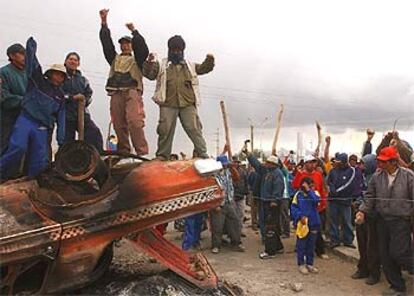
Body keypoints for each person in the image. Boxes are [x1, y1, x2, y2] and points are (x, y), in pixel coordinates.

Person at [0, 37, 66, 179]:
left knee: (39, 158)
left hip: (42, 127)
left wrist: (61, 141)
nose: (58, 76)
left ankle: (30, 183)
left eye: (61, 75)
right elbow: (34, 66)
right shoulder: (38, 82)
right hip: (25, 119)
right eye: (56, 73)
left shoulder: (60, 96)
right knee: (17, 147)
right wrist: (31, 49)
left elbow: (61, 119)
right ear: (50, 74)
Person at [143, 35, 214, 160]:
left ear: (183, 51)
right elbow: (149, 74)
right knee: (165, 130)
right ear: (169, 50)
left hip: (187, 103)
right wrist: (149, 62)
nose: (176, 52)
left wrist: (210, 60)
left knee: (195, 129)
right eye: (173, 50)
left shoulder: (190, 66)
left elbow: (204, 68)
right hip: (168, 103)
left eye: (179, 50)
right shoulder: (161, 65)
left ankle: (202, 154)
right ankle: (162, 156)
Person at [357, 146, 414, 295]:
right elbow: (370, 196)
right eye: (380, 161)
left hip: (401, 221)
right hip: (382, 221)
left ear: (394, 162)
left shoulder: (408, 176)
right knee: (385, 255)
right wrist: (362, 211)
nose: (381, 164)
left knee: (400, 252)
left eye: (384, 162)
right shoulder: (377, 177)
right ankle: (397, 287)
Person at [99, 9, 149, 156]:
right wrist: (104, 22)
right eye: (123, 43)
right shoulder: (114, 59)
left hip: (132, 91)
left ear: (132, 45)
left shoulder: (138, 60)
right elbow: (106, 44)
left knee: (134, 122)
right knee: (118, 124)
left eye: (128, 43)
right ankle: (124, 152)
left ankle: (142, 153)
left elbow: (143, 49)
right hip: (116, 92)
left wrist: (134, 31)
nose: (125, 45)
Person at [246, 152, 285, 259]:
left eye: (268, 162)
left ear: (273, 164)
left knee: (270, 227)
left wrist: (274, 201)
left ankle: (270, 251)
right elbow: (257, 165)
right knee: (273, 226)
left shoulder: (277, 174)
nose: (265, 164)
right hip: (265, 202)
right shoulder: (267, 172)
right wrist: (249, 156)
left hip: (272, 204)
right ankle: (278, 246)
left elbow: (278, 188)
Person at [62, 52, 103, 151]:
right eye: (70, 59)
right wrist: (72, 98)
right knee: (66, 142)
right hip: (65, 115)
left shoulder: (82, 80)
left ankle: (97, 158)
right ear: (65, 61)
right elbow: (57, 94)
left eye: (75, 60)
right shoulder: (60, 76)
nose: (73, 61)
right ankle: (65, 163)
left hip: (81, 114)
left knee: (94, 133)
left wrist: (84, 100)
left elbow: (89, 94)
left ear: (78, 64)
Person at [351, 153, 381, 286]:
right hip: (361, 214)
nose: (360, 165)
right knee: (362, 244)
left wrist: (363, 208)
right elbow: (360, 193)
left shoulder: (377, 179)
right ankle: (362, 268)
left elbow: (373, 199)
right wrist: (358, 204)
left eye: (363, 163)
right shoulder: (362, 177)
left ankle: (374, 273)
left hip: (373, 217)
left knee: (372, 246)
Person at [292, 154, 328, 259]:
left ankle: (320, 251)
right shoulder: (301, 175)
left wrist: (323, 203)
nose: (312, 164)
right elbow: (294, 186)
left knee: (317, 229)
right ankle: (302, 252)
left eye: (314, 162)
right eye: (310, 162)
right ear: (306, 163)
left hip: (317, 206)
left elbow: (321, 189)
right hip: (305, 207)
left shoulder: (318, 175)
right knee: (303, 230)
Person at [210, 154, 244, 254]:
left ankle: (236, 243)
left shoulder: (228, 172)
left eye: (226, 164)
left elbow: (237, 178)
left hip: (229, 201)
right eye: (223, 164)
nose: (225, 166)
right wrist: (214, 205)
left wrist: (232, 167)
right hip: (218, 204)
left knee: (235, 222)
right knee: (217, 226)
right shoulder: (213, 175)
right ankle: (216, 245)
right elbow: (211, 192)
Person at [0, 43, 28, 155]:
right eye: (21, 54)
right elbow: (3, 97)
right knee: (5, 145)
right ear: (11, 56)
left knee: (22, 148)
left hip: (25, 117)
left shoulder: (28, 73)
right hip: (7, 117)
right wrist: (25, 101)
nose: (24, 56)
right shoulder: (3, 72)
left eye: (25, 54)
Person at [291, 177, 321, 275]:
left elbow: (316, 201)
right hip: (302, 224)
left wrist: (309, 191)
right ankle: (301, 264)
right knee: (301, 245)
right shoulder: (298, 195)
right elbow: (293, 208)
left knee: (311, 245)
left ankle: (310, 263)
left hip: (313, 223)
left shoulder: (315, 194)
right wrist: (299, 216)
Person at [327, 153, 356, 248]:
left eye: (338, 162)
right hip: (333, 201)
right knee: (333, 221)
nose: (336, 163)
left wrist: (337, 191)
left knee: (346, 221)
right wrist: (331, 189)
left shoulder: (351, 171)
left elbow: (349, 184)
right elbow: (329, 182)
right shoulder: (332, 171)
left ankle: (348, 240)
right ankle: (334, 240)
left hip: (345, 200)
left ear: (344, 162)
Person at [232, 156, 249, 235]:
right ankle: (232, 232)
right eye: (234, 162)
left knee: (240, 215)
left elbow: (246, 183)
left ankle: (239, 230)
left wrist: (246, 192)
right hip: (232, 197)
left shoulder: (243, 171)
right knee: (232, 216)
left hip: (241, 196)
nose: (235, 163)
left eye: (236, 162)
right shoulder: (229, 171)